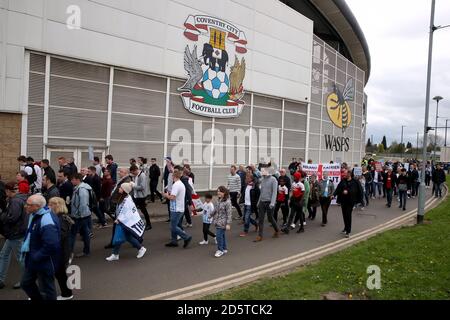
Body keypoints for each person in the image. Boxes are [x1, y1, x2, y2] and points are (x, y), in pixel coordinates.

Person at [20, 194, 60, 301]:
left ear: (37, 206)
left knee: (47, 289)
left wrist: (37, 256)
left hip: (44, 261)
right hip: (34, 259)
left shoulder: (46, 219)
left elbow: (52, 244)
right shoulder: (35, 215)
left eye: (28, 205)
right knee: (25, 283)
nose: (25, 206)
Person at [106, 183, 147, 262]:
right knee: (127, 237)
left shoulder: (127, 200)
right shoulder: (124, 197)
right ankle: (140, 249)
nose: (119, 189)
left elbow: (126, 212)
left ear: (124, 190)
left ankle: (115, 254)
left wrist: (119, 219)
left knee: (119, 238)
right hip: (124, 221)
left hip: (124, 222)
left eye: (121, 188)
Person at [0, 182, 27, 289]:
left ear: (8, 191)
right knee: (4, 255)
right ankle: (1, 279)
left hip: (15, 233)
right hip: (14, 233)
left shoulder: (15, 201)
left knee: (21, 258)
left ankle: (26, 280)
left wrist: (2, 215)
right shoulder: (19, 198)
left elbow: (12, 217)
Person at [47, 197, 74, 300]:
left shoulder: (61, 218)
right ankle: (67, 293)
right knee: (59, 274)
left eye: (50, 204)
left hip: (60, 252)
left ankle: (67, 294)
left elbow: (61, 236)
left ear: (57, 205)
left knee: (59, 274)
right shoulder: (59, 217)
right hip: (61, 251)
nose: (48, 206)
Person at [104, 168, 132, 249]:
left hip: (119, 204)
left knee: (118, 225)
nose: (119, 173)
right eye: (119, 171)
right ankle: (136, 239)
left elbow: (124, 193)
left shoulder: (127, 180)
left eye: (121, 172)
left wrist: (117, 203)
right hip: (117, 204)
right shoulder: (123, 179)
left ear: (126, 173)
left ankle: (114, 244)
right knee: (123, 225)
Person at [163, 168, 192, 248]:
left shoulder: (176, 185)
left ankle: (186, 237)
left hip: (176, 209)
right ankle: (174, 241)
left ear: (174, 176)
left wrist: (166, 195)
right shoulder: (180, 183)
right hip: (179, 208)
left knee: (173, 226)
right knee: (175, 225)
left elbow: (172, 197)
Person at [333, 171, 363, 238]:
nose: (345, 175)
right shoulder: (343, 181)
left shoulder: (355, 182)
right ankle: (346, 227)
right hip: (343, 201)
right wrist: (334, 195)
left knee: (348, 215)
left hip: (350, 202)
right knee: (344, 215)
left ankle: (348, 231)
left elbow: (357, 190)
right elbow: (338, 189)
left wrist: (348, 191)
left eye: (346, 174)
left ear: (349, 174)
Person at [70, 173, 92, 258]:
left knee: (72, 234)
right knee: (85, 233)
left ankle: (69, 252)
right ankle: (86, 251)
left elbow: (83, 203)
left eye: (72, 179)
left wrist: (78, 215)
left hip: (80, 216)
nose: (71, 181)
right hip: (84, 215)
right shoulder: (80, 188)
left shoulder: (82, 189)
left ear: (77, 180)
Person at [254, 167, 279, 242]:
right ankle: (260, 235)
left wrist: (272, 203)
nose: (262, 172)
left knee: (270, 218)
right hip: (262, 202)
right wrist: (258, 202)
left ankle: (277, 230)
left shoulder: (273, 180)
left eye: (263, 171)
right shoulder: (262, 180)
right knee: (260, 219)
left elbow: (275, 192)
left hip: (269, 202)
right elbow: (261, 192)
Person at [211, 186, 232, 257]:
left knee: (218, 236)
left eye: (220, 191)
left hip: (223, 222)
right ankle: (224, 248)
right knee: (222, 236)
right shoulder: (219, 200)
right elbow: (215, 209)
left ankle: (220, 250)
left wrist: (228, 224)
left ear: (224, 192)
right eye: (217, 191)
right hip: (217, 221)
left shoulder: (227, 202)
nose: (218, 193)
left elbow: (229, 214)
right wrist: (210, 215)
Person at [130, 165, 151, 230]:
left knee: (143, 210)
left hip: (141, 196)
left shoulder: (142, 175)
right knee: (134, 210)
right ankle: (136, 223)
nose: (132, 174)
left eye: (133, 172)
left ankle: (149, 224)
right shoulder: (136, 175)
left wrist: (133, 186)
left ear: (135, 170)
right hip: (136, 195)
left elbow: (142, 187)